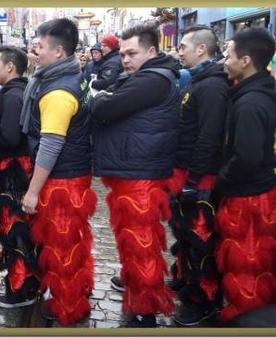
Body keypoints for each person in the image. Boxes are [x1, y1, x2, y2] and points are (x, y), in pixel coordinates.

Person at [90, 24, 180, 327]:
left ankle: (144, 312)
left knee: (141, 244)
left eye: (132, 53)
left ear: (151, 51)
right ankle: (135, 288)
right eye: (123, 53)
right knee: (134, 240)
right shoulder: (144, 77)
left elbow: (104, 108)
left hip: (140, 173)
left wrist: (98, 98)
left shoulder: (152, 79)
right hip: (134, 169)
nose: (125, 59)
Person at [20, 18, 96, 326]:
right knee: (70, 241)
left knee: (62, 243)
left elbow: (50, 146)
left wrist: (33, 192)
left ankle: (67, 306)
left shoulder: (57, 93)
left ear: (60, 51)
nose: (35, 52)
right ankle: (75, 294)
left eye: (40, 47)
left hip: (63, 180)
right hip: (73, 173)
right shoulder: (67, 78)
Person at [215, 27, 276, 322]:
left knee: (247, 273)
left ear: (245, 60)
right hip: (268, 188)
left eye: (229, 54)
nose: (225, 59)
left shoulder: (249, 103)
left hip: (249, 199)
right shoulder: (268, 92)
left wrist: (222, 180)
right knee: (264, 269)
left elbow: (245, 157)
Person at [168, 24, 229, 326]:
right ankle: (185, 281)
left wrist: (193, 182)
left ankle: (203, 301)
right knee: (185, 237)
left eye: (183, 46)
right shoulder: (198, 80)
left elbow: (209, 137)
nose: (179, 51)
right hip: (186, 174)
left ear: (201, 49)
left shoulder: (212, 86)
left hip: (200, 179)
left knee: (201, 243)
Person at [0, 46, 40, 309]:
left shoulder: (12, 95)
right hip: (20, 168)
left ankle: (21, 289)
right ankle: (26, 286)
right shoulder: (20, 90)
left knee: (14, 227)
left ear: (10, 67)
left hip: (14, 172)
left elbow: (8, 137)